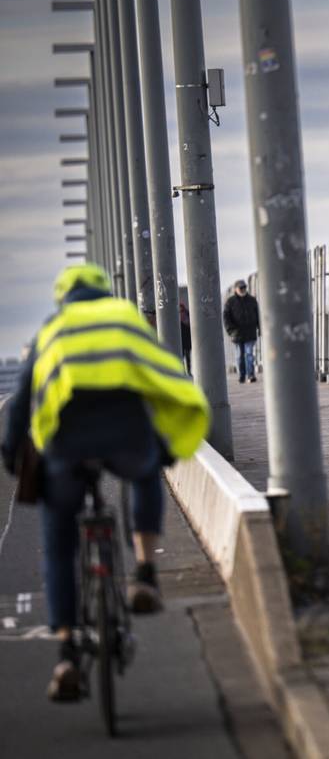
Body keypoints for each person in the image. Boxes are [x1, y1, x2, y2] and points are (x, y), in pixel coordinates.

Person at [0, 264, 210, 701]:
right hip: (125, 438)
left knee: (59, 545)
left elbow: (22, 400)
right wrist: (169, 442)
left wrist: (10, 454)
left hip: (66, 446)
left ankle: (65, 655)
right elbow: (162, 371)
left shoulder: (52, 330)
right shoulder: (123, 318)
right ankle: (146, 574)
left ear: (64, 296)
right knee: (147, 472)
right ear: (102, 290)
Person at [222, 279, 260, 384]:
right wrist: (231, 330)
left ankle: (251, 375)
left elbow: (258, 315)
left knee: (249, 354)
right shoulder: (230, 302)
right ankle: (242, 375)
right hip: (237, 334)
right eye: (241, 288)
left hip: (250, 332)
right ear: (236, 289)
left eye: (244, 287)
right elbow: (226, 317)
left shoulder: (252, 300)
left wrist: (260, 328)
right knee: (240, 356)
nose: (243, 289)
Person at [179, 301, 192, 375]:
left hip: (187, 339)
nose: (181, 311)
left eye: (181, 310)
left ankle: (188, 371)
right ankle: (183, 371)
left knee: (187, 357)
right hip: (180, 340)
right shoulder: (176, 316)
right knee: (181, 357)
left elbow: (191, 324)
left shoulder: (187, 314)